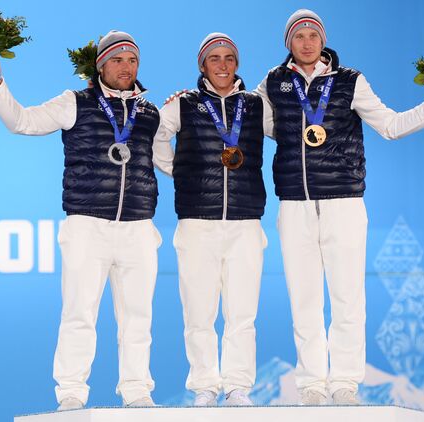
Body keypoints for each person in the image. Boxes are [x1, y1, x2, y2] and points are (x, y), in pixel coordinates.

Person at [255, 9, 424, 405]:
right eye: (300, 36)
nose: (308, 41)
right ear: (288, 43)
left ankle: (345, 382)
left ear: (323, 40)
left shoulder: (350, 81)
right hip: (295, 203)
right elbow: (253, 122)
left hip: (344, 201)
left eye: (314, 34)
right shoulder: (274, 83)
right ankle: (312, 384)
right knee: (304, 297)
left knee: (348, 296)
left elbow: (390, 125)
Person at [0, 30, 167, 410]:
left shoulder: (150, 112)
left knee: (138, 316)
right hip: (87, 223)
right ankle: (71, 393)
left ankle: (137, 391)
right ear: (100, 66)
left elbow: (165, 162)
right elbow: (23, 121)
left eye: (132, 60)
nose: (125, 67)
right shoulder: (74, 102)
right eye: (117, 60)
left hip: (138, 226)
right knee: (79, 313)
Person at [154, 33, 268, 406]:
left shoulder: (255, 105)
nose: (222, 65)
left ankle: (237, 386)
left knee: (242, 311)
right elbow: (154, 137)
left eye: (229, 58)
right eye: (214, 59)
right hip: (197, 221)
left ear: (237, 64)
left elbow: (293, 130)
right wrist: (178, 170)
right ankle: (204, 386)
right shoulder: (183, 105)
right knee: (199, 311)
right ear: (202, 65)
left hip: (244, 220)